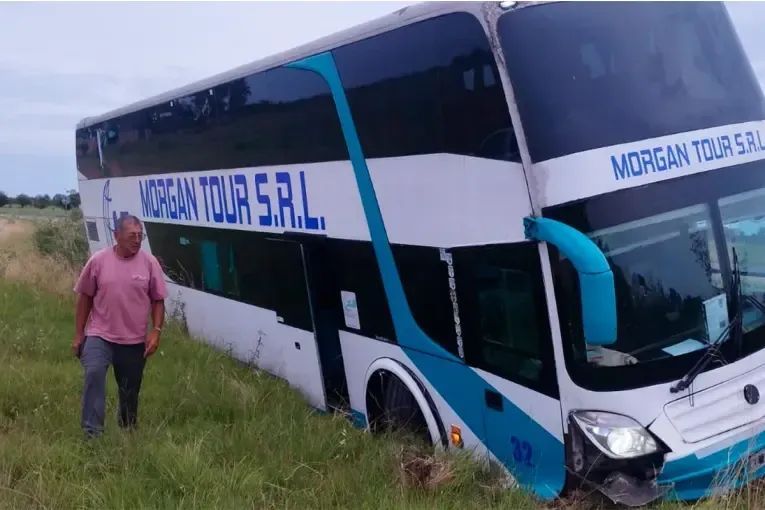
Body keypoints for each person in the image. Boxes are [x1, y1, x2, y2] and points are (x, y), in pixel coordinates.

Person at [72, 215, 167, 438]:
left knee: (129, 391)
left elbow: (158, 300)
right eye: (132, 235)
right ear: (117, 236)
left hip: (134, 340)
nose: (137, 240)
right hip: (100, 334)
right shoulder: (98, 261)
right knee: (94, 373)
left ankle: (127, 431)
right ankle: (92, 433)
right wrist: (79, 334)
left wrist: (156, 331)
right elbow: (85, 297)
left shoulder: (149, 263)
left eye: (140, 235)